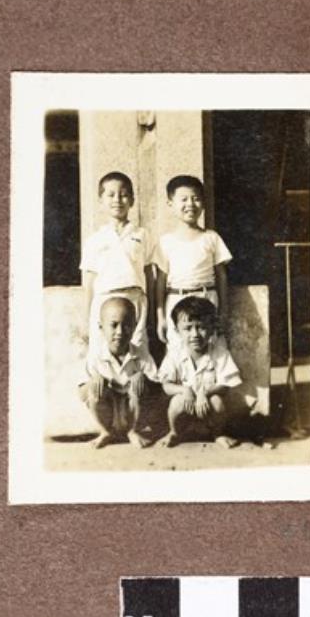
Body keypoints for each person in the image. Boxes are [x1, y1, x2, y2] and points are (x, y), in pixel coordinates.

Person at [153, 175, 232, 350]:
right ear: (170, 203)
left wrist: (223, 311)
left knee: (211, 348)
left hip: (207, 298)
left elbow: (221, 276)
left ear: (203, 203)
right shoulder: (165, 242)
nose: (190, 204)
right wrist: (160, 317)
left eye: (196, 198)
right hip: (176, 300)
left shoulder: (211, 238)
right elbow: (160, 281)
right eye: (184, 199)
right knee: (178, 350)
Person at [80, 171, 153, 358]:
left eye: (124, 194)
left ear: (132, 200)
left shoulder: (142, 235)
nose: (117, 200)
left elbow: (149, 274)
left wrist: (151, 310)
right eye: (111, 195)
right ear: (101, 201)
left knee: (137, 350)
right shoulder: (95, 239)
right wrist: (86, 319)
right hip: (104, 300)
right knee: (102, 353)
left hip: (135, 298)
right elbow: (89, 283)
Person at [158, 296, 241, 449]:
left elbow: (225, 385)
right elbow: (166, 385)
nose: (195, 334)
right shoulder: (175, 354)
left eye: (201, 327)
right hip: (186, 412)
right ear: (177, 331)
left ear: (212, 328)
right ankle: (174, 432)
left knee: (217, 401)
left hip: (208, 412)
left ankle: (218, 434)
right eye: (188, 328)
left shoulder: (220, 353)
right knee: (176, 401)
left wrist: (205, 393)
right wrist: (184, 390)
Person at [79, 295, 158, 449]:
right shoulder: (95, 357)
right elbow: (82, 393)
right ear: (101, 327)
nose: (120, 332)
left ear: (135, 327)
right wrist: (93, 383)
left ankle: (133, 431)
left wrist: (143, 380)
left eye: (127, 325)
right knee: (95, 387)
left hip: (133, 413)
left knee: (139, 382)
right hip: (108, 413)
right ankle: (105, 432)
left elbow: (158, 389)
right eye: (113, 325)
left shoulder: (141, 355)